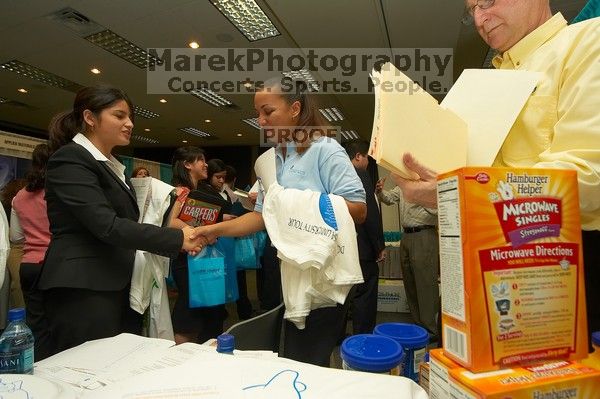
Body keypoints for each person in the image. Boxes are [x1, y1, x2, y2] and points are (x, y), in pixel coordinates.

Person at [395, 0, 600, 347]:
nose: (478, 18)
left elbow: (588, 174)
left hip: (566, 264)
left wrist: (456, 191)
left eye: (487, 1)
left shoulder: (586, 42)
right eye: (471, 9)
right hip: (492, 261)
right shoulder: (482, 83)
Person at [192, 77, 366, 366]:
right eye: (257, 113)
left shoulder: (325, 150)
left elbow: (359, 210)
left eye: (268, 112)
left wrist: (299, 202)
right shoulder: (274, 160)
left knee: (308, 359)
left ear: (295, 108)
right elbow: (262, 217)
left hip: (324, 274)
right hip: (290, 270)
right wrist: (213, 230)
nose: (260, 120)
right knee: (293, 355)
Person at [37, 85, 205, 355]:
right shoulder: (70, 158)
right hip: (84, 288)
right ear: (90, 118)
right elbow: (107, 225)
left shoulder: (113, 166)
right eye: (119, 116)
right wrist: (177, 238)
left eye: (130, 117)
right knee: (87, 371)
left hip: (116, 283)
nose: (129, 124)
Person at [168, 147, 229, 344]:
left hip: (200, 257)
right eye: (200, 160)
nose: (205, 164)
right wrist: (201, 232)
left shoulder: (198, 191)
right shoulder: (181, 191)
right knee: (190, 308)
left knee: (205, 308)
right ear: (187, 164)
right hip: (185, 259)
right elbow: (170, 222)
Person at [375, 180, 440, 342]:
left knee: (425, 284)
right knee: (410, 283)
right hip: (406, 236)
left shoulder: (430, 186)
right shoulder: (404, 185)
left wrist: (419, 198)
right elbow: (389, 198)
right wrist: (381, 191)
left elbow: (438, 210)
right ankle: (418, 325)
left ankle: (431, 330)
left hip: (424, 234)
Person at [9, 143, 53, 360]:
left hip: (27, 266)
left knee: (36, 326)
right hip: (54, 264)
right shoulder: (56, 193)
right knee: (58, 324)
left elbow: (16, 237)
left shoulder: (18, 196)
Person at [343, 140, 385, 334]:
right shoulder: (359, 174)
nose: (368, 162)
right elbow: (370, 215)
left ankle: (337, 334)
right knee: (365, 291)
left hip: (342, 245)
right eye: (367, 157)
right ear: (358, 156)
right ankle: (363, 334)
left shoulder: (337, 174)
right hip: (362, 246)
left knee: (343, 293)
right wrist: (379, 246)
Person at [206, 159, 253, 320]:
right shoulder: (204, 191)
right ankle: (217, 311)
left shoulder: (226, 193)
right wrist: (220, 217)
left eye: (223, 177)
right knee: (215, 278)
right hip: (213, 242)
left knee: (229, 276)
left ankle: (223, 309)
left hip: (227, 241)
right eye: (217, 177)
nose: (221, 181)